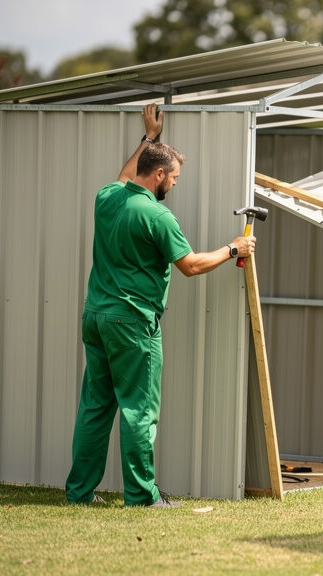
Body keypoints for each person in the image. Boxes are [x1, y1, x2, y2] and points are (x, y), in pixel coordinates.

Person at [65, 103, 255, 508]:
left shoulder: (109, 197)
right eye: (174, 178)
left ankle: (79, 494)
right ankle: (142, 496)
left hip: (96, 316)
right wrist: (233, 247)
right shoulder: (157, 216)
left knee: (95, 408)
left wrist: (149, 138)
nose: (176, 185)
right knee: (139, 411)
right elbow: (190, 265)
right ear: (159, 176)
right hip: (133, 323)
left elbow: (124, 176)